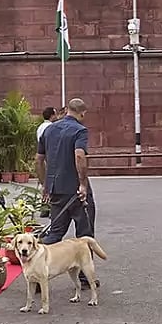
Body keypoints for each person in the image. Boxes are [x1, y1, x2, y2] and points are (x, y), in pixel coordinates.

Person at [37, 97, 95, 246]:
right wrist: (82, 184)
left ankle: (41, 265)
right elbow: (79, 155)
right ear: (82, 113)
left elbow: (38, 159)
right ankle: (84, 269)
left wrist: (45, 185)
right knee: (85, 235)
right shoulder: (80, 130)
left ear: (67, 110)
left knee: (55, 232)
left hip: (55, 188)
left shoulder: (49, 130)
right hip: (75, 190)